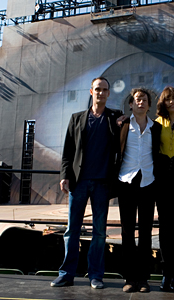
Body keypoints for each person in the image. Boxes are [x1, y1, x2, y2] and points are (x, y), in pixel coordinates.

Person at [50, 77, 122, 288]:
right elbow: (67, 152)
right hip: (79, 182)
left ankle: (95, 275)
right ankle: (66, 274)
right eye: (97, 89)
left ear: (109, 93)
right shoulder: (76, 118)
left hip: (102, 183)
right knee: (72, 230)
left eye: (104, 90)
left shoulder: (115, 117)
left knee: (99, 232)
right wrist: (64, 175)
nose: (101, 93)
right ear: (91, 91)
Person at [117, 88, 161, 293]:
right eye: (137, 100)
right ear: (131, 105)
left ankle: (143, 279)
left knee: (145, 233)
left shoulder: (156, 128)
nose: (141, 102)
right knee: (127, 233)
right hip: (126, 182)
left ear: (149, 105)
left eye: (144, 100)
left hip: (148, 183)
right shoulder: (122, 124)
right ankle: (129, 278)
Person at [155, 86, 174, 292]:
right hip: (164, 181)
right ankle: (166, 275)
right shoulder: (158, 123)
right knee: (166, 229)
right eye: (168, 99)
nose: (171, 102)